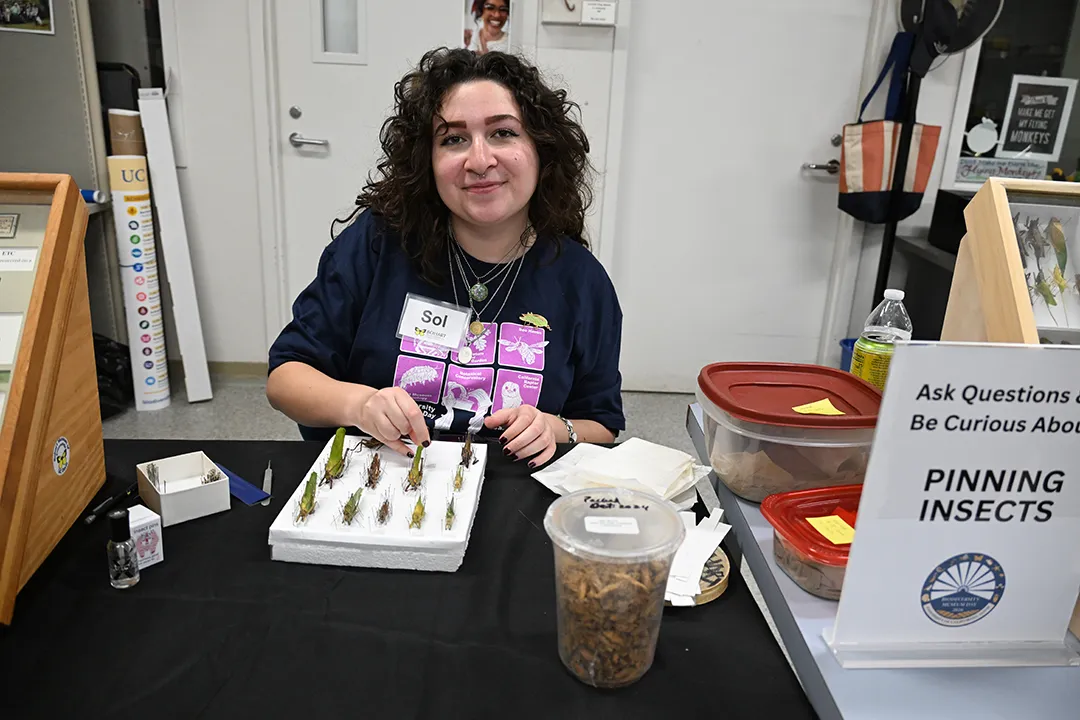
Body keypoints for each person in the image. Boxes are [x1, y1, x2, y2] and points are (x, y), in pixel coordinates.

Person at [266, 48, 624, 469]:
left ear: (542, 150)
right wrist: (360, 404)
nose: (479, 160)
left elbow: (601, 423)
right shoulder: (377, 245)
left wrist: (554, 428)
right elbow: (285, 378)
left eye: (503, 133)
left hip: (513, 497)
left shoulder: (583, 282)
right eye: (453, 139)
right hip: (380, 485)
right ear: (427, 162)